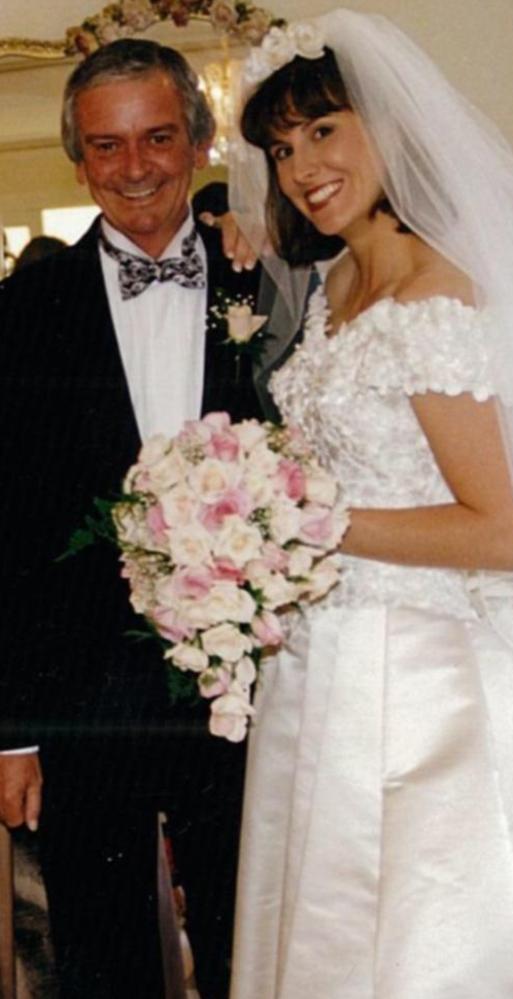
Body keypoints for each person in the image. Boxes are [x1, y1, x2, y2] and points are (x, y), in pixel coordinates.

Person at [226, 11, 513, 998]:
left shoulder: (434, 298)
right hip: (317, 670)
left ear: (390, 125)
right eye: (281, 148)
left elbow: (495, 532)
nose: (298, 167)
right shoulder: (333, 283)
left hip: (415, 685)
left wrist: (301, 526)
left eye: (322, 131)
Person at [0, 37, 268, 999]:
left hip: (253, 686)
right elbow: (8, 534)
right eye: (106, 147)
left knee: (261, 947)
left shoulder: (268, 276)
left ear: (198, 142)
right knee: (101, 961)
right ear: (79, 159)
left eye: (157, 137)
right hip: (82, 698)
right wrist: (11, 731)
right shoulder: (21, 309)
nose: (135, 167)